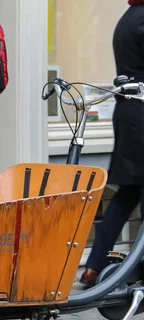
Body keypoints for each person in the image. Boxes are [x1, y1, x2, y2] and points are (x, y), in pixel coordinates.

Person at [80, 0, 144, 288]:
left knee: (127, 193)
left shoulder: (129, 16)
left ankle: (93, 266)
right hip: (141, 113)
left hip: (131, 113)